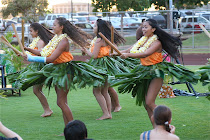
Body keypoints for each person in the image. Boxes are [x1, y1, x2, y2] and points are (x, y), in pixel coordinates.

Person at [111, 19, 199, 126]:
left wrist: (128, 55)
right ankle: (156, 128)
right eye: (143, 27)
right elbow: (129, 50)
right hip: (144, 71)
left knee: (149, 102)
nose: (143, 29)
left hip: (156, 72)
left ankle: (167, 123)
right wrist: (115, 53)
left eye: (146, 27)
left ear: (153, 29)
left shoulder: (157, 42)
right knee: (146, 105)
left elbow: (145, 54)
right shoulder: (143, 40)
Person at [21, 17, 96, 134]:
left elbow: (51, 58)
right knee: (62, 101)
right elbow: (43, 53)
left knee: (61, 102)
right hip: (57, 71)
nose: (52, 26)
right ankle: (67, 129)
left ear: (61, 27)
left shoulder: (63, 41)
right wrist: (27, 50)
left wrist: (30, 58)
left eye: (55, 25)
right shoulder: (55, 39)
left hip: (65, 71)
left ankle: (74, 131)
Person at [81, 19, 126, 120]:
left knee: (97, 91)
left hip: (99, 67)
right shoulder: (106, 39)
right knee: (105, 91)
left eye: (95, 26)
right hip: (106, 66)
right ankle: (108, 113)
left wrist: (85, 50)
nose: (93, 28)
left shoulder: (99, 40)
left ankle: (106, 113)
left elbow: (94, 56)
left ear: (99, 28)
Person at [23, 22, 53, 117]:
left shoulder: (40, 41)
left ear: (37, 31)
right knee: (36, 90)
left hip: (41, 67)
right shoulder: (36, 40)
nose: (30, 33)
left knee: (36, 90)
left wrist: (28, 50)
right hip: (37, 67)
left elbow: (41, 53)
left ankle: (47, 110)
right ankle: (47, 109)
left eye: (31, 31)